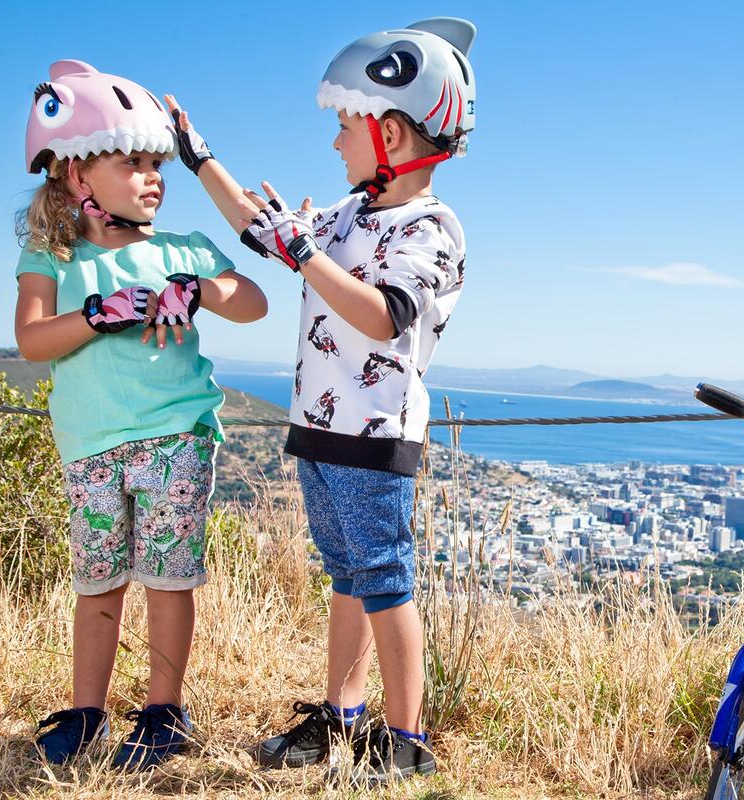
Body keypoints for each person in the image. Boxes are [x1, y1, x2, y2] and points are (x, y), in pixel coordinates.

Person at [168, 16, 476, 784]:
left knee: (384, 580)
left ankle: (404, 738)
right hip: (319, 429)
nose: (336, 144)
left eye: (347, 127)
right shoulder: (345, 217)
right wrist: (199, 160)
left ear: (395, 136)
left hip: (374, 438)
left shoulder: (431, 228)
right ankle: (341, 717)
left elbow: (381, 313)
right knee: (347, 576)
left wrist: (305, 252)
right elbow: (256, 227)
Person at [15, 59, 267, 770]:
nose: (154, 176)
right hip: (90, 444)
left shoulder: (183, 250)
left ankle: (163, 712)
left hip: (174, 439)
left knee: (167, 578)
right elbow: (33, 339)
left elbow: (253, 302)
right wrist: (98, 313)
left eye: (159, 164)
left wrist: (199, 288)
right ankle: (87, 713)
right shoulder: (53, 253)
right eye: (134, 162)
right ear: (77, 177)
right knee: (96, 583)